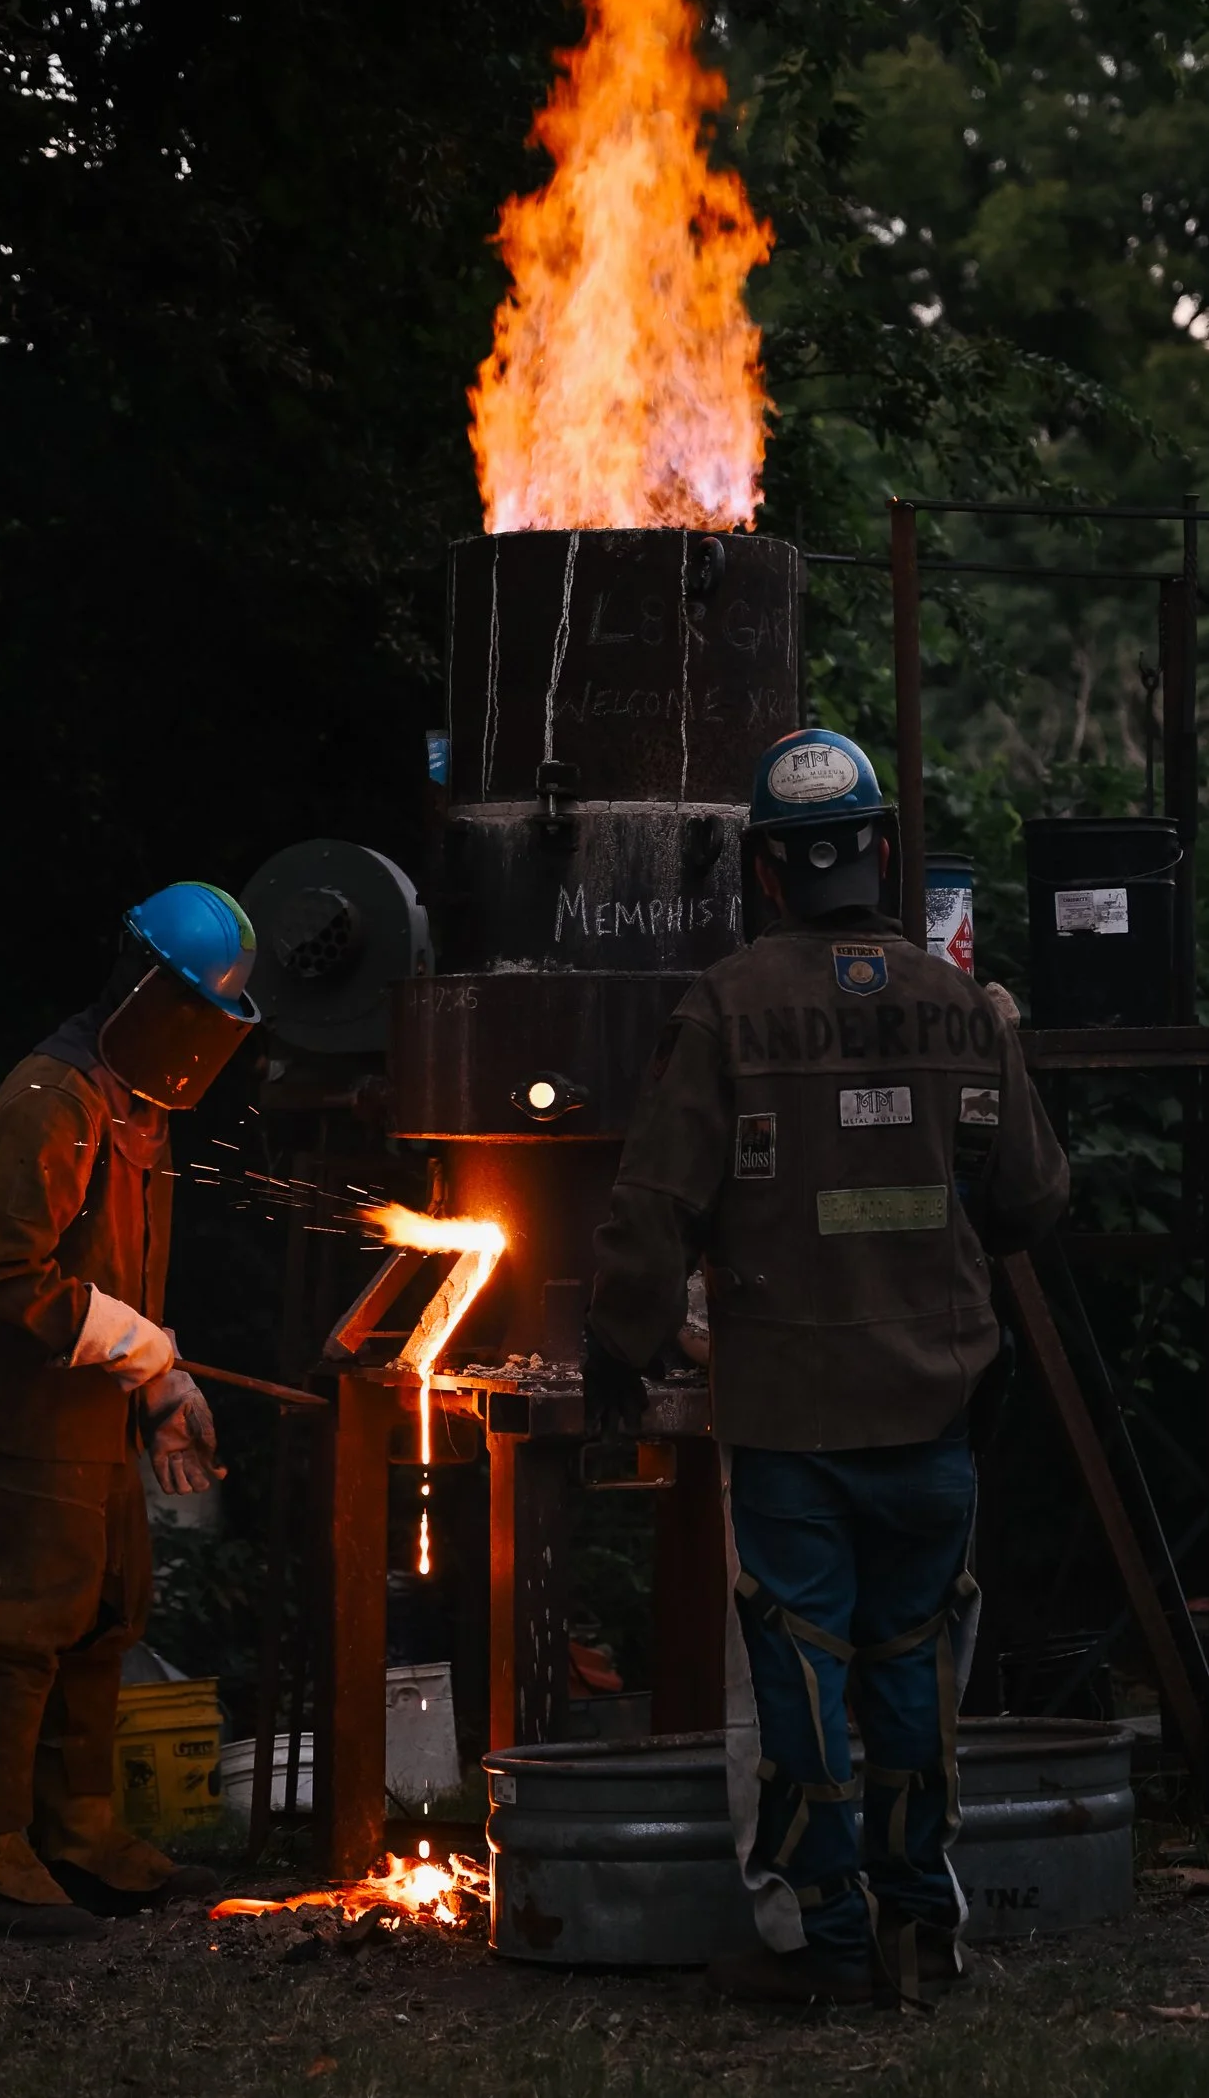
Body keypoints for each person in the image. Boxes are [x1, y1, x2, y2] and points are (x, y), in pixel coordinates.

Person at [583, 728, 1068, 2007]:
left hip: (791, 1422)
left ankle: (832, 1943)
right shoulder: (962, 1006)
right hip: (932, 1410)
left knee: (801, 1675)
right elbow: (1026, 1200)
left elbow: (652, 1206)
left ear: (761, 869)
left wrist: (616, 1347)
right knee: (912, 1670)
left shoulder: (726, 1005)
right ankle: (924, 1930)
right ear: (886, 853)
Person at [0, 881, 261, 1938]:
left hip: (97, 1410)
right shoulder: (53, 1095)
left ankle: (77, 1829)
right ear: (145, 986)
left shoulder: (133, 1104)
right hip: (35, 1409)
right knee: (33, 1621)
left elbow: (119, 1281)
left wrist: (159, 1385)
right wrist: (140, 1350)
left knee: (110, 1609)